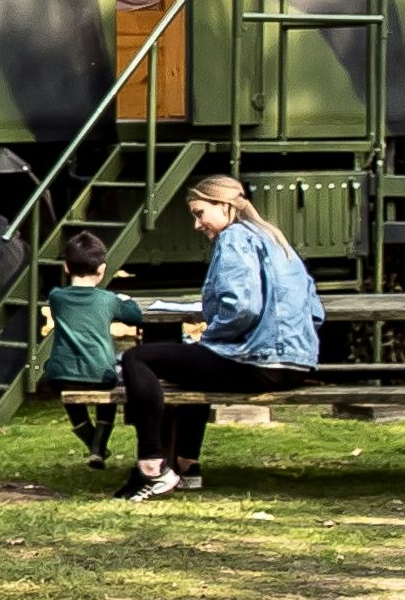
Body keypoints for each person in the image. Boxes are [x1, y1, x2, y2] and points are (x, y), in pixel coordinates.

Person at [113, 174, 323, 499]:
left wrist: (214, 338)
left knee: (136, 358)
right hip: (296, 365)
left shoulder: (234, 238)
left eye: (200, 213)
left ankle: (151, 466)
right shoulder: (276, 239)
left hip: (258, 363)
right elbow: (315, 313)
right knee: (193, 370)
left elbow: (242, 308)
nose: (198, 224)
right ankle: (187, 466)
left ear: (225, 206)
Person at [41, 226, 145, 456]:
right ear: (102, 269)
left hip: (61, 375)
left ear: (66, 267)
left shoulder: (57, 297)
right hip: (99, 374)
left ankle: (90, 439)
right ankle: (98, 447)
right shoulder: (108, 300)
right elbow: (135, 316)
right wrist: (126, 299)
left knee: (58, 374)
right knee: (109, 394)